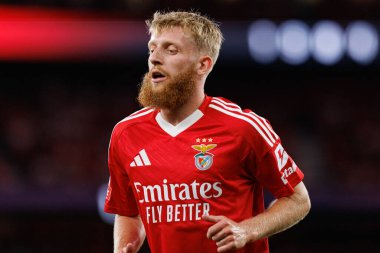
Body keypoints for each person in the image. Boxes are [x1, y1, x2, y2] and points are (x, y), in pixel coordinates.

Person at [104, 10, 311, 253]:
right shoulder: (126, 133)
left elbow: (298, 200)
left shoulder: (244, 127)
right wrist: (123, 248)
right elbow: (128, 211)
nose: (155, 59)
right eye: (152, 49)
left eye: (171, 50)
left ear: (203, 64)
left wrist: (247, 230)